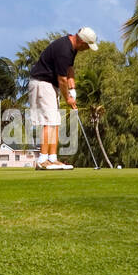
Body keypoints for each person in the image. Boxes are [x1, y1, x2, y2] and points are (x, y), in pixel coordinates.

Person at [27, 27, 99, 170]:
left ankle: (52, 159)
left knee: (55, 121)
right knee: (48, 122)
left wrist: (73, 89)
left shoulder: (72, 48)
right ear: (81, 41)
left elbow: (69, 69)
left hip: (50, 85)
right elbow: (62, 79)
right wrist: (68, 99)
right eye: (87, 46)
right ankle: (42, 160)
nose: (87, 49)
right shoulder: (64, 50)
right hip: (42, 83)